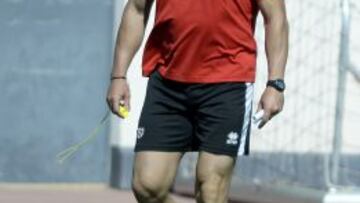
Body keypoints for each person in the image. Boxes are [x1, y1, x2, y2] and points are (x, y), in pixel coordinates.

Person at [106, 0, 289, 202]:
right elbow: (136, 9)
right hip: (168, 83)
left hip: (228, 82)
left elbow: (276, 17)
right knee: (147, 186)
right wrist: (118, 76)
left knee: (211, 190)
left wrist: (275, 83)